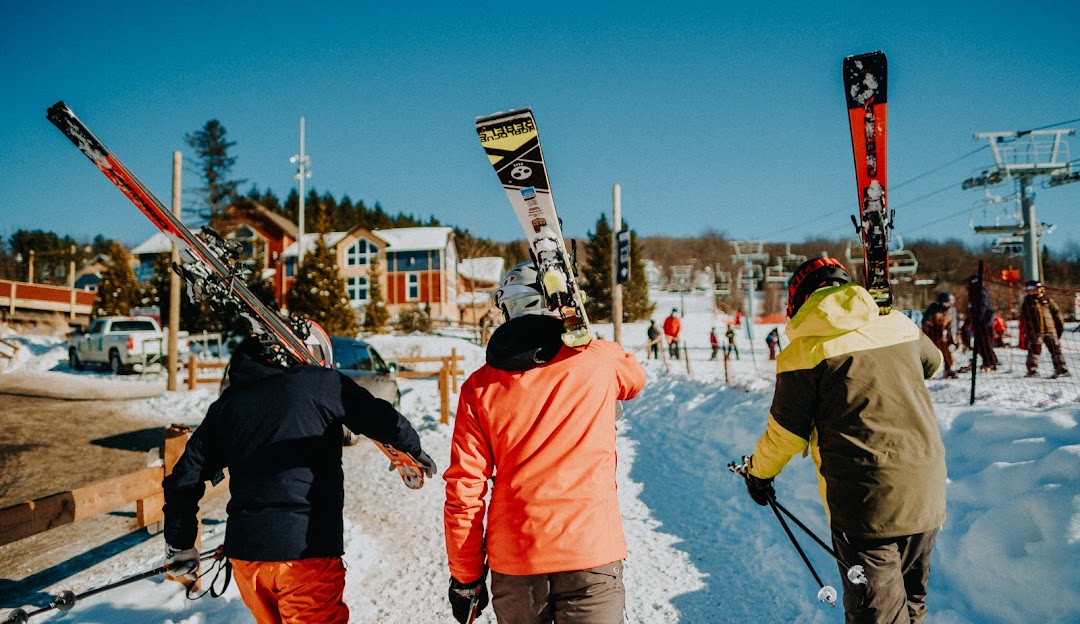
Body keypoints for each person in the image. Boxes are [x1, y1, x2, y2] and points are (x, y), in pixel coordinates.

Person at [163, 334, 436, 624]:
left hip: (247, 559)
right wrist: (412, 446)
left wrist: (181, 542)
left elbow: (184, 478)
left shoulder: (226, 406)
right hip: (305, 554)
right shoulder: (320, 384)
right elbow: (377, 416)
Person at [741, 256, 946, 623]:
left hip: (865, 505)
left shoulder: (802, 352)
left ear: (798, 301)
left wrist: (758, 474)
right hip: (926, 488)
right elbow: (934, 364)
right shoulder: (896, 322)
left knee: (877, 615)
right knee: (913, 605)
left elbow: (785, 435)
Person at [444, 261, 646, 624]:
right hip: (590, 551)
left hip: (517, 560)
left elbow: (465, 490)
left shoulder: (479, 386)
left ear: (507, 309)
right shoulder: (599, 360)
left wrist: (466, 577)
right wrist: (584, 332)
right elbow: (634, 379)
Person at [1020, 280, 1068, 378]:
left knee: (1055, 350)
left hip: (1050, 331)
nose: (1030, 291)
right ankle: (1032, 369)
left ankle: (1061, 368)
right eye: (1028, 289)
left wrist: (1059, 328)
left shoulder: (1047, 300)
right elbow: (1024, 318)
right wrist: (1027, 331)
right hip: (1036, 331)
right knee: (1034, 350)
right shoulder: (1027, 302)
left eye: (1032, 288)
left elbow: (1057, 315)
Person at [963, 274, 999, 371]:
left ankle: (991, 363)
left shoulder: (980, 292)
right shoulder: (973, 294)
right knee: (979, 344)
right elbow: (973, 309)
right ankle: (988, 361)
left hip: (985, 323)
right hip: (979, 323)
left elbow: (981, 309)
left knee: (985, 343)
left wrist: (976, 320)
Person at [922, 292, 958, 379]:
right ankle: (926, 371)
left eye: (950, 304)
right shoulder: (933, 309)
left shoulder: (951, 311)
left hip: (942, 337)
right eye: (946, 303)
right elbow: (925, 323)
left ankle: (948, 369)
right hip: (931, 336)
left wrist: (952, 338)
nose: (948, 306)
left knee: (947, 353)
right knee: (930, 356)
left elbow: (952, 326)